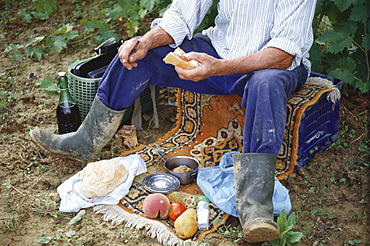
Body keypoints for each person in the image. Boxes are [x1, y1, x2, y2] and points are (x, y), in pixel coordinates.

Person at [30, 0, 317, 243]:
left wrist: (218, 68)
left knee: (265, 84)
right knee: (136, 54)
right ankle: (85, 141)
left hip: (273, 67)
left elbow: (283, 53)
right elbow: (181, 15)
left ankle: (256, 206)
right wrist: (146, 41)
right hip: (220, 48)